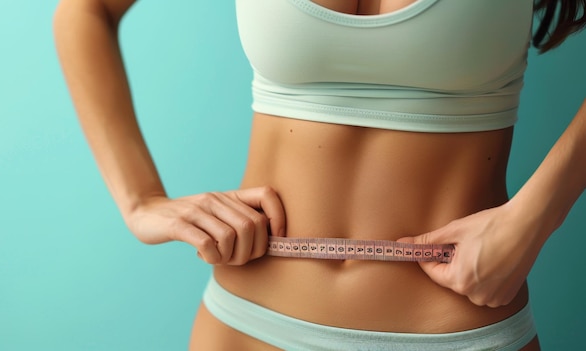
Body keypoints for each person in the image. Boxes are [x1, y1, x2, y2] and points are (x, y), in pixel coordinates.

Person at [53, 0, 585, 349]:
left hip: (453, 333)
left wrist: (539, 214)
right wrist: (141, 200)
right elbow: (87, 10)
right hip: (244, 324)